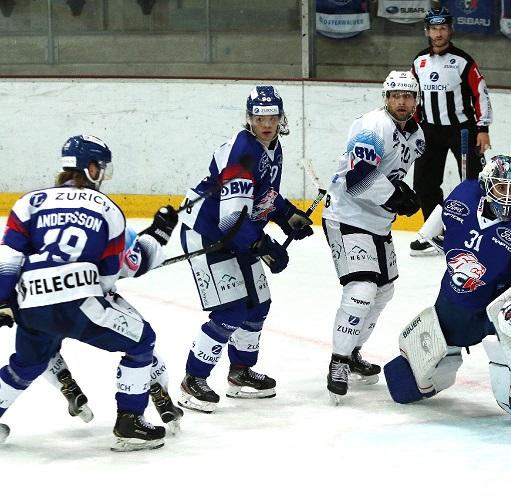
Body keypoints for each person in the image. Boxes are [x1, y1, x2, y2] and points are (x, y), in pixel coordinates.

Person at [0, 134, 179, 451]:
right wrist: (158, 235)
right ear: (92, 168)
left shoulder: (30, 202)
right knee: (142, 341)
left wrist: (3, 300)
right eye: (102, 168)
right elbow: (109, 277)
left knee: (27, 363)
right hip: (78, 302)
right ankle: (130, 422)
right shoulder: (108, 209)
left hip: (31, 302)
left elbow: (9, 257)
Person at [382, 155, 511, 428]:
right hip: (454, 299)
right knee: (420, 367)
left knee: (510, 348)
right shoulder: (464, 195)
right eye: (501, 187)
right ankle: (418, 369)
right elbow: (441, 225)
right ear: (486, 186)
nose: (507, 196)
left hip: (495, 308)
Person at [177, 85, 313, 413]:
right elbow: (230, 219)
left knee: (258, 304)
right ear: (249, 118)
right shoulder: (243, 152)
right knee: (232, 310)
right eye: (259, 117)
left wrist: (287, 214)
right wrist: (263, 245)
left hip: (237, 233)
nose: (266, 124)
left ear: (281, 118)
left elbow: (263, 193)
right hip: (208, 234)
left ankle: (240, 372)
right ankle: (193, 379)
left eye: (272, 117)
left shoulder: (272, 146)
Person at [321, 70, 424, 404]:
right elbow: (358, 179)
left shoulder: (416, 135)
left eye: (407, 96)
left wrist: (400, 196)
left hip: (378, 222)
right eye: (395, 95)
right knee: (362, 289)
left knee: (384, 291)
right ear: (386, 98)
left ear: (416, 100)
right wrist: (395, 197)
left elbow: (390, 171)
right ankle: (338, 362)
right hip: (347, 216)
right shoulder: (372, 127)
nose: (401, 101)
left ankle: (352, 353)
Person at [410, 6, 494, 256]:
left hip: (463, 132)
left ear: (450, 30)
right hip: (429, 131)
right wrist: (413, 127)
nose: (438, 33)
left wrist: (483, 128)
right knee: (424, 185)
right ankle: (436, 234)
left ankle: (475, 234)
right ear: (427, 31)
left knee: (473, 184)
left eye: (443, 28)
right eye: (434, 29)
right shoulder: (419, 61)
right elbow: (414, 96)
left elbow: (480, 94)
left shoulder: (463, 61)